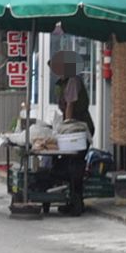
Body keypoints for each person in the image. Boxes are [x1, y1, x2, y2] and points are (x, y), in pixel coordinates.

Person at [49, 49, 92, 215]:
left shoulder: (73, 81)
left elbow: (70, 106)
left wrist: (65, 127)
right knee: (68, 162)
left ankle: (77, 202)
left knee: (75, 165)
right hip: (72, 127)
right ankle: (71, 200)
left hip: (79, 127)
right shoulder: (62, 82)